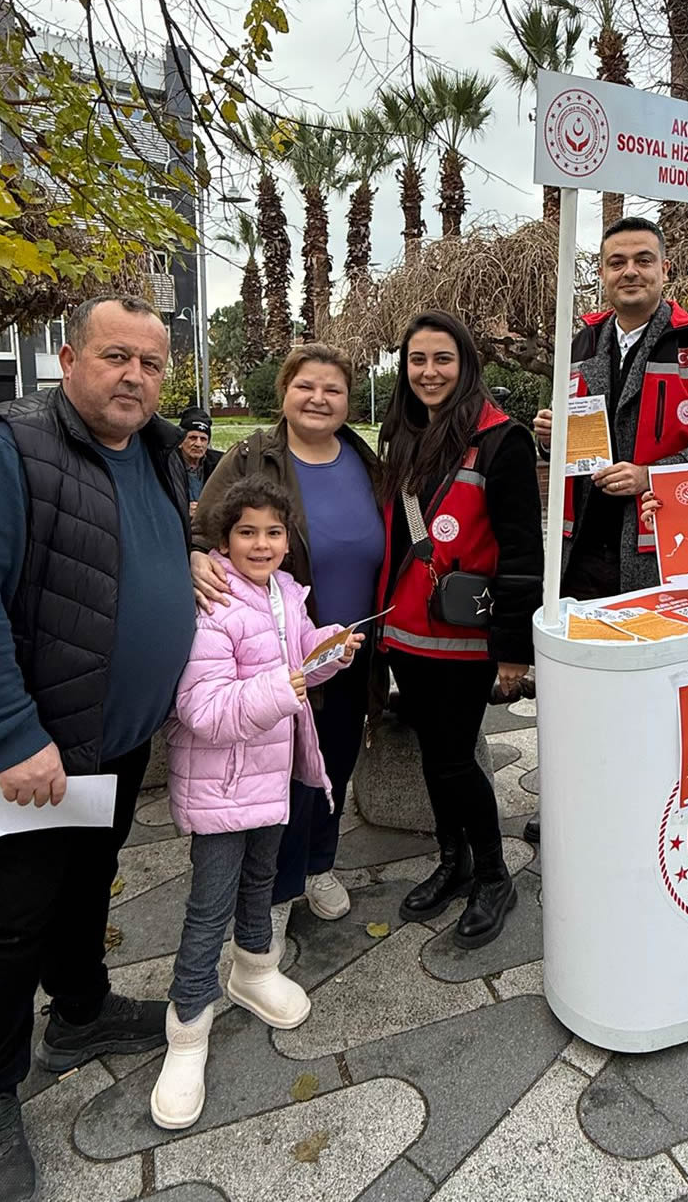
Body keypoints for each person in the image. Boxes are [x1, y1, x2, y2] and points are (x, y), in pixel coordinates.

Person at [0, 295, 195, 1202]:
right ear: (67, 359)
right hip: (31, 751)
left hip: (113, 739)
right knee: (5, 919)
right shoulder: (4, 450)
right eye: (116, 357)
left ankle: (80, 1011)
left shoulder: (153, 451)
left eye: (150, 364)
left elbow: (144, 554)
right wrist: (12, 735)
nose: (135, 377)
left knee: (82, 883)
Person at [150, 477, 364, 1130]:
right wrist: (284, 685)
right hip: (221, 787)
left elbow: (297, 660)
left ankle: (254, 967)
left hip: (275, 777)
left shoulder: (286, 593)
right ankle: (187, 1030)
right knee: (207, 906)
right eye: (247, 531)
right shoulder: (211, 607)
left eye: (273, 531)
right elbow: (202, 709)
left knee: (262, 883)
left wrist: (328, 651)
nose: (262, 543)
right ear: (223, 537)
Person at [525, 215, 688, 842]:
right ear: (601, 272)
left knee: (653, 688)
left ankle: (646, 806)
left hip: (659, 552)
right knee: (580, 689)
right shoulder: (582, 342)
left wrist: (653, 476)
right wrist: (553, 434)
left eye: (643, 260)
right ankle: (576, 799)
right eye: (616, 261)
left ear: (665, 270)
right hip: (580, 547)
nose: (629, 271)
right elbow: (580, 440)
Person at [190, 344, 383, 948]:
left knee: (337, 764)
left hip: (348, 651)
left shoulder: (365, 458)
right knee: (283, 778)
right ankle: (273, 893)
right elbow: (201, 526)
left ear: (348, 401)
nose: (319, 399)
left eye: (333, 390)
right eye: (306, 386)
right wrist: (196, 558)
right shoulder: (255, 456)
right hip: (275, 658)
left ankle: (319, 866)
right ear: (285, 391)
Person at [379, 311, 543, 948]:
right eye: (417, 360)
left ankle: (494, 875)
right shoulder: (404, 433)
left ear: (466, 363)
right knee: (436, 756)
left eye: (442, 359)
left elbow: (523, 552)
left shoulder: (503, 439)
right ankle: (455, 860)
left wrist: (511, 652)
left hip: (464, 638)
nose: (428, 373)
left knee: (453, 758)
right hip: (407, 632)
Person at [177, 406, 222, 510]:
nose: (198, 444)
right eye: (193, 438)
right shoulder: (168, 464)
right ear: (180, 441)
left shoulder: (219, 463)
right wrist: (183, 509)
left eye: (203, 439)